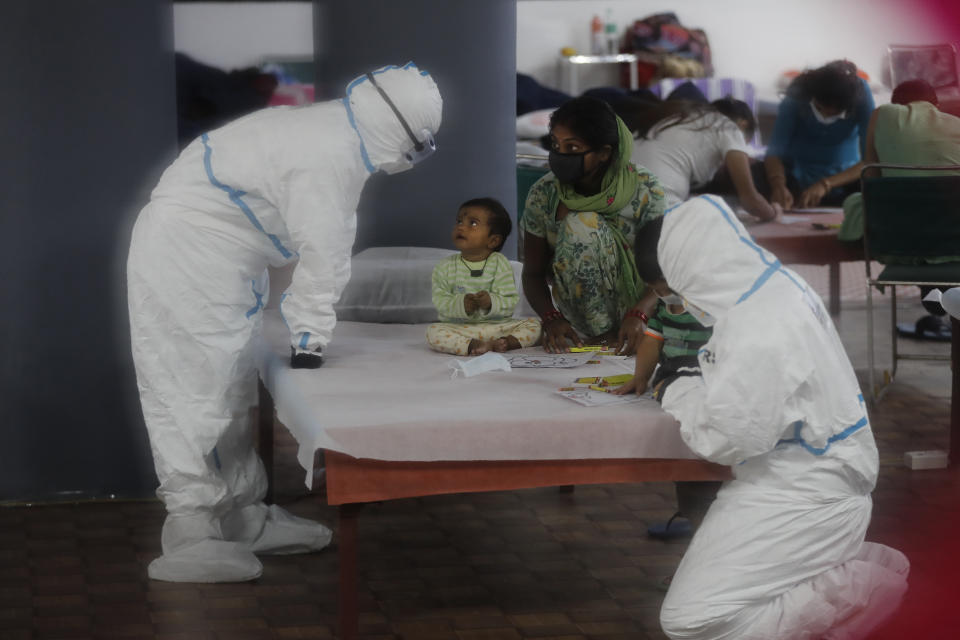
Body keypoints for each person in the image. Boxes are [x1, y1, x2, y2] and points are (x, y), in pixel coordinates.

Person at [126, 63, 443, 583]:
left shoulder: (334, 131)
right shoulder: (330, 155)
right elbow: (325, 253)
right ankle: (191, 531)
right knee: (193, 391)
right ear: (399, 133)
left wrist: (305, 329)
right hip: (188, 258)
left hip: (219, 260)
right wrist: (309, 339)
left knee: (229, 390)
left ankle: (243, 517)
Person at [630, 197, 909, 639]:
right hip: (814, 471)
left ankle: (862, 585)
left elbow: (726, 440)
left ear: (687, 270)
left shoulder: (755, 323)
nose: (670, 301)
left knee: (692, 621)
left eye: (665, 288)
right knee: (729, 610)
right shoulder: (772, 287)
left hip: (802, 488)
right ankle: (839, 584)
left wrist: (677, 388)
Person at [520, 96, 666, 355]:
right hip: (580, 315)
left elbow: (665, 267)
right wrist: (551, 318)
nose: (560, 155)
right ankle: (600, 334)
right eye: (555, 144)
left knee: (582, 222)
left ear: (604, 153)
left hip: (642, 308)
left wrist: (640, 313)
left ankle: (625, 331)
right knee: (581, 224)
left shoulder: (644, 187)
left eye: (573, 148)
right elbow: (532, 273)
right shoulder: (544, 193)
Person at [838, 78, 960, 341]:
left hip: (901, 245)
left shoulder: (882, 115)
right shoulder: (956, 124)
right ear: (935, 105)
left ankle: (935, 301)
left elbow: (871, 177)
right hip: (955, 244)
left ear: (896, 104)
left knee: (863, 202)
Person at [614, 289, 718, 543]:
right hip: (675, 381)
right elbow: (652, 341)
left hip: (704, 385)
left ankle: (705, 531)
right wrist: (640, 377)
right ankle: (695, 521)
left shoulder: (710, 307)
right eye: (656, 288)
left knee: (704, 463)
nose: (662, 293)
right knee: (687, 463)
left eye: (665, 285)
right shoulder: (663, 307)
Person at [629, 97, 779, 221]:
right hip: (655, 212)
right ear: (742, 125)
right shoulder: (730, 128)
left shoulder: (681, 117)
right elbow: (750, 201)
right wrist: (773, 213)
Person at [426, 198, 541, 355]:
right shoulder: (444, 266)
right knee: (433, 331)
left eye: (472, 223)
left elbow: (509, 301)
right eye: (459, 221)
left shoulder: (500, 263)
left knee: (536, 326)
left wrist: (490, 302)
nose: (461, 227)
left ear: (493, 240)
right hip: (462, 328)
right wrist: (461, 304)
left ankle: (505, 343)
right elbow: (440, 302)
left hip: (498, 326)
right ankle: (474, 345)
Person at [763, 60, 875, 209]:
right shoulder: (799, 91)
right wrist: (778, 185)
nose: (826, 116)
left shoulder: (861, 96)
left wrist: (825, 184)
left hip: (845, 178)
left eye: (834, 113)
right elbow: (774, 152)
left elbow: (870, 160)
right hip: (794, 174)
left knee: (875, 187)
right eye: (820, 108)